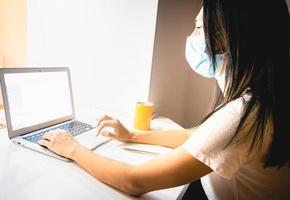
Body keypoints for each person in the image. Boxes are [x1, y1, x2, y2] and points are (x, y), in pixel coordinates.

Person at [38, 0, 290, 199]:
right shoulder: (259, 101)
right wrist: (134, 136)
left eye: (199, 28)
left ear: (230, 37)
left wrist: (72, 149)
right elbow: (198, 136)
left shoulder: (240, 116)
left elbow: (134, 181)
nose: (191, 36)